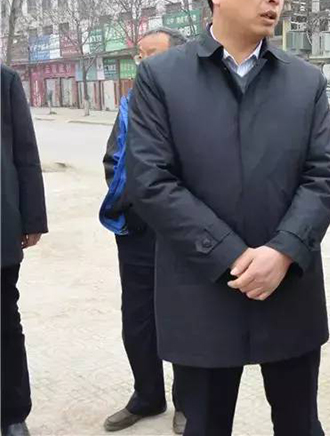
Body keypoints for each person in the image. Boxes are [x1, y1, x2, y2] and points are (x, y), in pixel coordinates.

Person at [125, 0, 330, 436]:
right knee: (202, 424)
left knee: (299, 424)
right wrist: (232, 256)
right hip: (201, 287)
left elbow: (324, 176)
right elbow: (151, 180)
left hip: (287, 287)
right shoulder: (162, 77)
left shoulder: (305, 81)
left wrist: (282, 252)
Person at [99, 27, 188, 434]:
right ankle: (147, 395)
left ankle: (187, 401)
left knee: (183, 316)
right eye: (141, 55)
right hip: (135, 230)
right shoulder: (129, 104)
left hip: (180, 231)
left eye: (153, 54)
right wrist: (131, 204)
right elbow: (112, 161)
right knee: (137, 318)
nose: (143, 62)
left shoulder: (192, 103)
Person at [1, 64, 48, 436]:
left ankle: (13, 413)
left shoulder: (4, 81)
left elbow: (25, 152)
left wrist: (32, 219)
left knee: (4, 323)